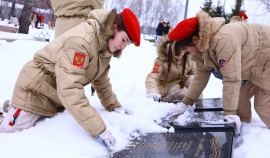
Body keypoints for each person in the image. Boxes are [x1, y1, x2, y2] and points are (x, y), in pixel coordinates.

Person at [0, 8, 141, 151]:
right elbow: (70, 88)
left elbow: (101, 80)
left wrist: (113, 105)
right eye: (123, 40)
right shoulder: (83, 41)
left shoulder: (104, 46)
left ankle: (12, 108)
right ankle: (16, 107)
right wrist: (99, 130)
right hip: (35, 91)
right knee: (8, 133)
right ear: (114, 27)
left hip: (54, 96)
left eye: (126, 44)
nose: (122, 47)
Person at [165, 11, 270, 135]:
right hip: (250, 67)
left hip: (265, 59)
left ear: (195, 39)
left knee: (262, 106)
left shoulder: (223, 39)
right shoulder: (200, 50)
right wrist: (185, 102)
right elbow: (199, 78)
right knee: (240, 103)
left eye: (186, 48)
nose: (187, 52)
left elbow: (231, 78)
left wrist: (229, 113)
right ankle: (245, 131)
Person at [145, 35, 202, 103]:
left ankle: (199, 107)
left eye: (184, 49)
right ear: (171, 45)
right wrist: (153, 91)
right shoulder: (160, 61)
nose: (181, 52)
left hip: (181, 82)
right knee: (183, 93)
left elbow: (195, 74)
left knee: (194, 85)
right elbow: (152, 77)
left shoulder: (188, 58)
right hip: (167, 87)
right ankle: (167, 102)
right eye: (180, 48)